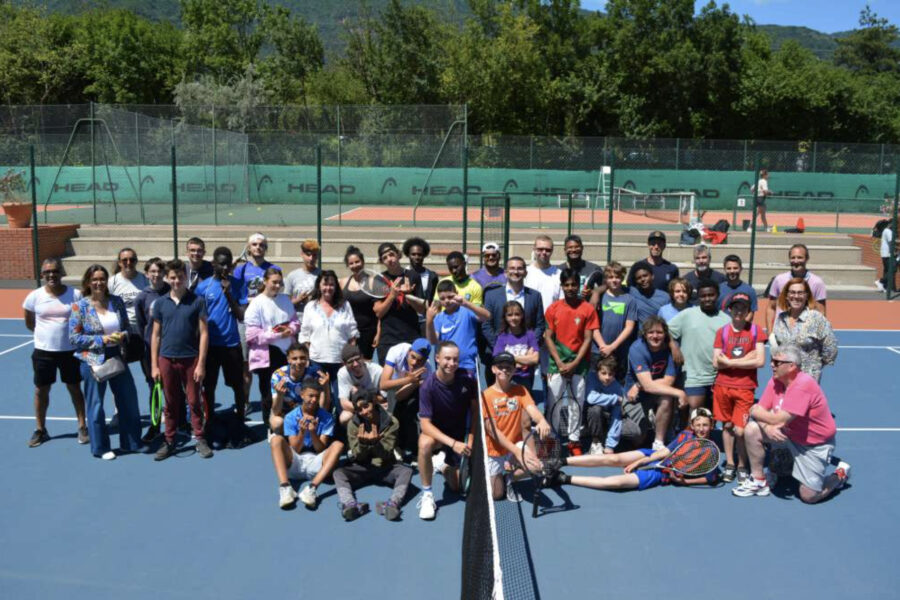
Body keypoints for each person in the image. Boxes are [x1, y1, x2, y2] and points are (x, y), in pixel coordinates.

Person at [732, 345, 850, 503]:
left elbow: (773, 418)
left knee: (809, 496)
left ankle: (839, 475)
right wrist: (766, 425)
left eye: (777, 362)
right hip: (787, 434)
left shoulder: (803, 385)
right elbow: (760, 411)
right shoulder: (775, 381)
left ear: (792, 366)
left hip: (813, 445)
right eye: (772, 361)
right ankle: (759, 481)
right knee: (752, 429)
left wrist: (758, 413)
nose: (772, 365)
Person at [545, 408, 719, 491]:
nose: (702, 428)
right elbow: (665, 452)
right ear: (693, 426)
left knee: (616, 483)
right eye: (698, 425)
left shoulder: (711, 452)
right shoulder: (684, 435)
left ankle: (563, 478)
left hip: (664, 473)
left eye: (705, 425)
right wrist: (640, 461)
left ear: (711, 425)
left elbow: (710, 478)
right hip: (655, 457)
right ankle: (560, 461)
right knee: (613, 459)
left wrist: (684, 482)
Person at [68, 265, 142, 460]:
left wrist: (121, 336)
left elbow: (127, 328)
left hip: (116, 356)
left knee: (128, 400)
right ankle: (100, 448)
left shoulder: (116, 302)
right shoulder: (80, 306)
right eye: (95, 279)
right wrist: (103, 340)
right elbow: (74, 338)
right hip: (92, 360)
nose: (99, 283)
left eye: (102, 279)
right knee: (96, 405)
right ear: (88, 282)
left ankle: (131, 442)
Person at [150, 259, 211, 461]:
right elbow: (156, 336)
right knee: (170, 403)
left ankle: (200, 438)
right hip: (166, 360)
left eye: (181, 277)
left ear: (186, 277)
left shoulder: (197, 301)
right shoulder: (159, 303)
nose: (177, 281)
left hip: (191, 360)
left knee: (194, 401)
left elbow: (203, 333)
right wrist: (154, 365)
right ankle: (169, 440)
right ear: (167, 279)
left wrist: (201, 363)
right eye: (173, 277)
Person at [24, 258, 87, 447]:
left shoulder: (76, 295)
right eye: (47, 272)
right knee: (41, 390)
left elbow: (83, 320)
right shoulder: (34, 297)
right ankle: (40, 429)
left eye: (55, 271)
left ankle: (82, 426)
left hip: (70, 352)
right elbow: (30, 323)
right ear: (42, 275)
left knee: (75, 388)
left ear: (62, 273)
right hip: (43, 352)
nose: (52, 275)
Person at [416, 342, 478, 520]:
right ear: (437, 359)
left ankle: (441, 465)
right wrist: (452, 444)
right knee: (424, 443)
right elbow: (425, 425)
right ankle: (427, 494)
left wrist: (471, 439)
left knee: (457, 486)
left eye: (455, 359)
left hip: (461, 433)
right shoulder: (427, 386)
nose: (451, 363)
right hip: (439, 435)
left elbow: (475, 412)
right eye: (447, 359)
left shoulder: (468, 378)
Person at [333, 389, 414, 521]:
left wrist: (375, 443)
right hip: (362, 467)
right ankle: (350, 504)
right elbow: (357, 456)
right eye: (359, 410)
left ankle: (393, 504)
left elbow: (386, 453)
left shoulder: (392, 422)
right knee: (338, 473)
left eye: (366, 406)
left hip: (385, 467)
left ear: (374, 402)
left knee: (406, 471)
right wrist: (364, 444)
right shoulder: (353, 425)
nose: (364, 412)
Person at [544, 268, 600, 451]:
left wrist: (575, 363)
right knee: (555, 403)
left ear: (578, 286)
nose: (570, 288)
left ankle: (574, 441)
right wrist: (560, 363)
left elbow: (588, 339)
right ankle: (553, 440)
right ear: (561, 286)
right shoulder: (553, 308)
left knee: (577, 402)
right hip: (556, 364)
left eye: (573, 284)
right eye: (566, 284)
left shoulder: (588, 309)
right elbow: (548, 337)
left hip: (580, 364)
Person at [712, 293, 767, 483]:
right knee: (727, 426)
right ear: (730, 309)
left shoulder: (756, 331)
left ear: (748, 311)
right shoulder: (722, 332)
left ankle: (743, 464)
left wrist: (730, 361)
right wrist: (746, 360)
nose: (739, 311)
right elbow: (716, 363)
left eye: (743, 308)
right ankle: (729, 463)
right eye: (736, 307)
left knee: (741, 430)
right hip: (722, 386)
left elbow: (760, 361)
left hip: (745, 388)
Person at [481, 352, 551, 500]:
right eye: (500, 367)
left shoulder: (520, 390)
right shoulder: (486, 396)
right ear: (493, 369)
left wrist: (542, 421)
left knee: (536, 467)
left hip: (516, 444)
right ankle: (494, 472)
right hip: (495, 450)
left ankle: (510, 478)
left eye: (508, 367)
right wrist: (516, 452)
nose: (504, 370)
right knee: (496, 495)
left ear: (514, 370)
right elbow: (493, 432)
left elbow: (532, 409)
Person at [270, 377, 343, 510]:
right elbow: (295, 449)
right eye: (310, 396)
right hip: (295, 464)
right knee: (276, 439)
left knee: (338, 445)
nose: (314, 400)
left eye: (317, 396)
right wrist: (302, 432)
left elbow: (321, 449)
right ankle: (286, 487)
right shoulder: (291, 417)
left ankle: (311, 488)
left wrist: (313, 433)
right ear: (302, 394)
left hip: (316, 466)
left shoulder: (326, 417)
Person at [244, 268, 301, 431]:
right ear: (265, 281)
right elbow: (251, 335)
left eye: (279, 282)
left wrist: (290, 330)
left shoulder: (285, 300)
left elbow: (295, 322)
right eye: (273, 282)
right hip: (267, 354)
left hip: (286, 353)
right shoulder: (256, 303)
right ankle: (270, 426)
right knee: (268, 394)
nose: (277, 285)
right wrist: (275, 334)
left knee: (289, 391)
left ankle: (288, 425)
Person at [667, 280, 730, 421]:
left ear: (717, 295)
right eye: (703, 296)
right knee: (694, 414)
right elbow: (665, 330)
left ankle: (706, 443)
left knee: (711, 418)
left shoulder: (726, 320)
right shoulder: (688, 314)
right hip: (693, 376)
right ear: (698, 297)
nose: (707, 299)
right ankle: (689, 443)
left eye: (711, 295)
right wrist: (674, 345)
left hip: (718, 377)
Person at [196, 247, 247, 422]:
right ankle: (209, 421)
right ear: (213, 264)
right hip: (210, 346)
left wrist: (229, 295)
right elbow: (197, 317)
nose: (225, 268)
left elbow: (241, 315)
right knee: (209, 387)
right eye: (221, 264)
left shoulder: (237, 284)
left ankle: (240, 419)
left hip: (232, 345)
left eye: (227, 264)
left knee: (238, 386)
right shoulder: (203, 287)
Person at [234, 232, 280, 412]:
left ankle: (270, 402)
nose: (258, 247)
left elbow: (276, 293)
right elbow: (236, 296)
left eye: (261, 244)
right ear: (249, 247)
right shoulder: (241, 270)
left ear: (266, 248)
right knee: (246, 365)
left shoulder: (274, 269)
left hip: (267, 322)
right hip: (247, 322)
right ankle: (245, 402)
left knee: (269, 364)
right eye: (254, 244)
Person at [625, 316, 685, 451]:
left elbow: (668, 381)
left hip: (649, 390)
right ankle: (612, 427)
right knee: (638, 438)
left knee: (667, 397)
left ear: (665, 334)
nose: (655, 336)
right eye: (651, 332)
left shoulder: (673, 350)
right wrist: (680, 393)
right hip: (634, 395)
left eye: (659, 332)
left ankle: (658, 442)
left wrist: (640, 385)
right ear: (645, 335)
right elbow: (648, 385)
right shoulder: (637, 348)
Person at [299, 269, 359, 401]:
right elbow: (305, 335)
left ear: (336, 286)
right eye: (325, 284)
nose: (328, 288)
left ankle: (339, 422)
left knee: (341, 401)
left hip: (340, 362)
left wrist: (349, 359)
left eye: (331, 284)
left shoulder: (345, 306)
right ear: (319, 286)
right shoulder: (310, 306)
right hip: (317, 362)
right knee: (318, 400)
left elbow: (352, 334)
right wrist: (310, 356)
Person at [482, 256, 546, 372]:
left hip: (525, 360)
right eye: (512, 268)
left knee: (524, 390)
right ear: (506, 273)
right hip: (498, 358)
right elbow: (486, 325)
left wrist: (529, 347)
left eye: (520, 268)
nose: (515, 272)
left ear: (525, 273)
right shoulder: (491, 295)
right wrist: (501, 348)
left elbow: (540, 325)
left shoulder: (535, 296)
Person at [770, 278, 838, 383]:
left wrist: (815, 365)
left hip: (808, 379)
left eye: (800, 293)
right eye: (792, 292)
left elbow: (830, 348)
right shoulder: (781, 319)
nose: (796, 296)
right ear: (787, 296)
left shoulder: (816, 318)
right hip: (785, 379)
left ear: (806, 296)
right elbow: (778, 348)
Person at [134, 257, 169, 441]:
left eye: (159, 271)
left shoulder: (172, 292)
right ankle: (155, 426)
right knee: (155, 388)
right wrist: (149, 345)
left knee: (173, 389)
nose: (156, 275)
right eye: (152, 271)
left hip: (172, 349)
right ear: (147, 274)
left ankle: (177, 424)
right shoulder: (142, 297)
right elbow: (141, 326)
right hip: (151, 352)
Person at [425, 280, 491, 378]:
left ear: (457, 294)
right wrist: (429, 320)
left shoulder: (467, 311)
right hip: (446, 368)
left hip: (467, 366)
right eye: (442, 298)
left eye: (450, 297)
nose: (446, 301)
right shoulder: (439, 318)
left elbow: (487, 316)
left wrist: (466, 303)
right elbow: (433, 341)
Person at [380, 338, 433, 458]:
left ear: (425, 361)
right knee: (392, 415)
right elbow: (383, 385)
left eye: (419, 361)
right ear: (409, 351)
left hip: (414, 386)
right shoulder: (396, 351)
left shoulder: (427, 371)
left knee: (409, 411)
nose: (414, 363)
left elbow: (401, 397)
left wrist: (414, 383)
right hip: (394, 383)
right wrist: (409, 379)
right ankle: (396, 445)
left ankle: (414, 449)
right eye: (413, 357)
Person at [373, 242, 425, 365]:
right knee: (389, 381)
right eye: (385, 258)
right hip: (388, 340)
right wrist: (392, 296)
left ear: (398, 255)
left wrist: (408, 295)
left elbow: (422, 309)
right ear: (382, 262)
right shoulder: (379, 280)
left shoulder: (413, 276)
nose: (389, 259)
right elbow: (378, 313)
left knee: (414, 378)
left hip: (411, 337)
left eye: (391, 255)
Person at [765, 244, 827, 333]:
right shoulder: (779, 280)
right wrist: (770, 333)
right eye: (793, 257)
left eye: (800, 257)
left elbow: (821, 312)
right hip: (782, 332)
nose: (796, 261)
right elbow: (771, 308)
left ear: (807, 259)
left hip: (806, 333)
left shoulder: (817, 282)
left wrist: (819, 334)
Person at [596, 261, 637, 383]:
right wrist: (603, 346)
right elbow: (592, 325)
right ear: (606, 279)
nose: (614, 280)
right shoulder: (599, 297)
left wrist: (612, 347)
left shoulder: (629, 300)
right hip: (598, 349)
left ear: (622, 278)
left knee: (616, 382)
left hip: (619, 350)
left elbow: (629, 327)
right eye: (611, 277)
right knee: (596, 382)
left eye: (618, 277)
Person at [269, 342, 322, 434]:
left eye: (302, 358)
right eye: (294, 358)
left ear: (307, 358)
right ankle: (283, 441)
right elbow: (276, 411)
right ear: (288, 359)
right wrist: (280, 395)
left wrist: (325, 388)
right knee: (277, 423)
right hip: (285, 413)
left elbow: (322, 405)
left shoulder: (314, 374)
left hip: (308, 412)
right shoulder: (278, 375)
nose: (298, 362)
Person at [341, 245, 379, 360]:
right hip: (348, 331)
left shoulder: (373, 282)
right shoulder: (342, 282)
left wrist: (378, 333)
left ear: (363, 262)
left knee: (365, 364)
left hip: (369, 332)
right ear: (348, 265)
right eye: (351, 263)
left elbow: (379, 312)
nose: (355, 265)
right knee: (349, 363)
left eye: (357, 262)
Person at [492, 300, 540, 391]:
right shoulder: (502, 336)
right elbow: (498, 359)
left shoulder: (529, 335)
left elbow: (535, 359)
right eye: (509, 315)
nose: (513, 318)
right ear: (505, 317)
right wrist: (525, 358)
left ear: (522, 315)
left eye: (517, 314)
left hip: (525, 379)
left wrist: (510, 358)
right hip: (506, 379)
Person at [584, 355, 625, 455]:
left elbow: (617, 416)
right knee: (595, 409)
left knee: (635, 432)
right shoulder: (591, 378)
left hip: (606, 417)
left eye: (610, 374)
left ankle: (607, 438)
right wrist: (614, 398)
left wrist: (610, 445)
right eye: (603, 373)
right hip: (586, 413)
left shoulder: (617, 387)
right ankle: (595, 441)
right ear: (597, 372)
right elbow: (590, 398)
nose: (607, 377)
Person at [336, 343, 384, 426]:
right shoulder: (342, 373)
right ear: (344, 364)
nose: (355, 364)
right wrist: (362, 410)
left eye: (357, 359)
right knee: (344, 417)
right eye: (350, 362)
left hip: (376, 406)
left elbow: (384, 398)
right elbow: (344, 403)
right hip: (357, 409)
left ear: (362, 357)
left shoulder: (377, 370)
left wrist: (363, 393)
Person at [108, 247, 149, 336]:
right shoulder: (112, 282)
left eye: (132, 260)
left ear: (136, 261)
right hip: (122, 330)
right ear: (119, 262)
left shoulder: (145, 280)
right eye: (124, 260)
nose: (128, 263)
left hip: (142, 328)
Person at [403, 236, 439, 334]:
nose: (416, 257)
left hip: (428, 319)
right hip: (408, 321)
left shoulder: (432, 276)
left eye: (420, 254)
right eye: (413, 254)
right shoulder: (403, 274)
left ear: (424, 255)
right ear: (408, 255)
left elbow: (435, 298)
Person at [558, 234, 603, 304]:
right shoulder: (558, 270)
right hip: (564, 311)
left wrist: (594, 292)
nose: (573, 250)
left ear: (582, 248)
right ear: (565, 250)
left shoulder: (594, 269)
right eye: (570, 247)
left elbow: (606, 286)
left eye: (577, 247)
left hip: (586, 311)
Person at [524, 235, 562, 314]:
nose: (544, 252)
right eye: (540, 249)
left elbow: (561, 302)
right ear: (534, 249)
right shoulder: (525, 273)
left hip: (550, 323)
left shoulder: (559, 274)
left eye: (547, 250)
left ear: (552, 251)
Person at [285, 238, 321, 316]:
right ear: (302, 254)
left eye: (314, 255)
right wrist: (298, 300)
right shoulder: (292, 276)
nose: (311, 258)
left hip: (316, 318)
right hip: (296, 320)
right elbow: (285, 303)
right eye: (308, 254)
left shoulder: (321, 275)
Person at [628, 261, 670, 326]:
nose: (642, 279)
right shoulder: (631, 292)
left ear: (652, 276)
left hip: (656, 334)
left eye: (645, 276)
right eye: (639, 278)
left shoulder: (665, 297)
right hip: (637, 335)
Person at [876, 219, 895, 292]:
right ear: (890, 224)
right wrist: (893, 252)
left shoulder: (885, 231)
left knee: (887, 270)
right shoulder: (888, 231)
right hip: (888, 254)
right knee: (893, 268)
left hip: (885, 253)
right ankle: (881, 281)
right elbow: (891, 242)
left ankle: (884, 286)